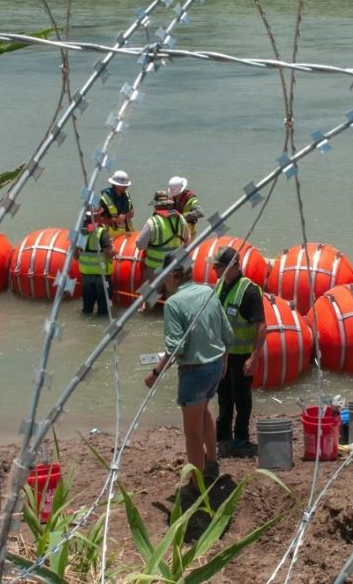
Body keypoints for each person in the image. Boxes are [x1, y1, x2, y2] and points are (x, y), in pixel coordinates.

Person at [146, 255, 233, 486]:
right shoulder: (208, 292)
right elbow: (227, 333)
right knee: (204, 411)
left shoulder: (174, 303)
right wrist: (224, 362)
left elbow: (176, 347)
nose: (161, 280)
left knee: (192, 432)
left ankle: (197, 483)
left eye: (164, 275)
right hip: (215, 367)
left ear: (173, 275)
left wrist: (155, 373)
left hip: (195, 372)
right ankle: (212, 462)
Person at [211, 246, 267, 458]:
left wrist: (254, 357)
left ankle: (241, 436)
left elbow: (262, 326)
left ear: (233, 266)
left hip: (241, 355)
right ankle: (223, 434)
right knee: (223, 396)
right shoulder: (220, 286)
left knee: (241, 397)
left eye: (218, 266)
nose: (214, 269)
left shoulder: (249, 291)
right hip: (222, 355)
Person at [136, 190, 190, 283]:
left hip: (154, 270)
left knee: (150, 296)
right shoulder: (180, 219)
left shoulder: (152, 222)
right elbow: (188, 240)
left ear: (156, 205)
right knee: (172, 295)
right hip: (174, 268)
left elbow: (140, 245)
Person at [77, 208, 114, 316]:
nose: (102, 216)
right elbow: (109, 253)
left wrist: (83, 262)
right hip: (102, 276)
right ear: (96, 217)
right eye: (100, 215)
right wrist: (115, 249)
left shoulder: (81, 232)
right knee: (103, 309)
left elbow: (74, 253)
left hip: (86, 276)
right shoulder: (102, 233)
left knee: (87, 308)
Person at [100, 170, 135, 239]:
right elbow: (100, 219)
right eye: (123, 185)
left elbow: (132, 213)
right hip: (111, 234)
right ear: (116, 185)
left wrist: (124, 216)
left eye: (126, 185)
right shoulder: (104, 199)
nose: (126, 187)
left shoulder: (126, 195)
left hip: (127, 232)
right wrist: (116, 220)